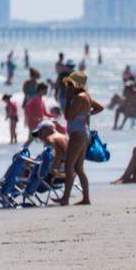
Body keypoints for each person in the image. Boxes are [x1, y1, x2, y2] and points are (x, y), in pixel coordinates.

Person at [58, 71, 104, 206]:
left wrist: (68, 100)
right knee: (78, 167)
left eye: (70, 84)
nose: (68, 87)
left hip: (78, 134)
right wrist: (86, 114)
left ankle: (65, 198)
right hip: (83, 132)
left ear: (77, 84)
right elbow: (100, 108)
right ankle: (86, 198)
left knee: (69, 166)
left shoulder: (78, 97)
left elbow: (68, 116)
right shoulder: (86, 96)